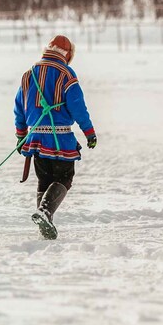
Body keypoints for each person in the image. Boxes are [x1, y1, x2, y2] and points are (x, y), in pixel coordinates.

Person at [13, 35, 96, 239]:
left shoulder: (28, 74)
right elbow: (78, 107)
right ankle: (45, 213)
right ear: (67, 54)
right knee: (64, 178)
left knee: (44, 180)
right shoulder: (66, 74)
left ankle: (44, 221)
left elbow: (19, 107)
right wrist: (89, 132)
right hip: (60, 139)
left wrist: (21, 134)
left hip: (36, 140)